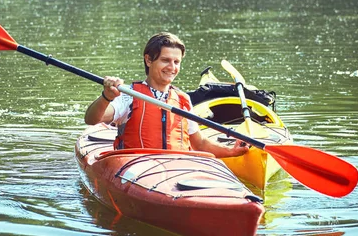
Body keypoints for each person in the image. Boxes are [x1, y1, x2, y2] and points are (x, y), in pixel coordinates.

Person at [84, 32, 249, 158]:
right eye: (165, 60)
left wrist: (232, 151)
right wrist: (107, 96)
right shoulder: (128, 95)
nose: (172, 67)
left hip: (176, 169)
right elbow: (92, 119)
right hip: (138, 169)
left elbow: (199, 143)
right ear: (149, 60)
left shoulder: (183, 100)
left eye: (176, 62)